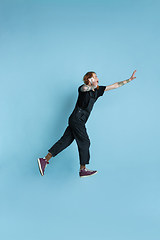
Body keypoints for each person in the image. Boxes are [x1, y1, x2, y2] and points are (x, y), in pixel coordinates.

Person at [38, 70, 137, 178]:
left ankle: (44, 160)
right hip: (77, 119)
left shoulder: (98, 91)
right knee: (85, 141)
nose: (98, 79)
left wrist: (129, 80)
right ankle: (83, 169)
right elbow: (85, 88)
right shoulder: (83, 88)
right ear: (90, 79)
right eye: (95, 77)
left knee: (65, 141)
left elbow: (114, 86)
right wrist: (91, 84)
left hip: (78, 120)